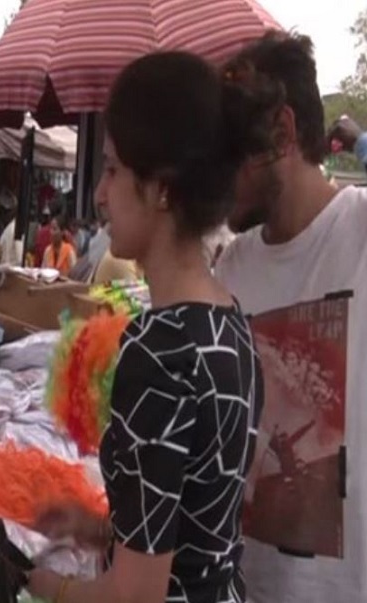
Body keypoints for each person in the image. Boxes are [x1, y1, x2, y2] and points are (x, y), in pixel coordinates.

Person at [26, 51, 264, 603]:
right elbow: (198, 527)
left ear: (162, 188)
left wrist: (46, 586)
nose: (99, 194)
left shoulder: (157, 350)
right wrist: (100, 530)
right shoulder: (231, 322)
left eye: (111, 170)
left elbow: (136, 597)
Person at [215, 31, 367, 603]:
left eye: (227, 149)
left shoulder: (360, 231)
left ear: (281, 133)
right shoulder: (228, 267)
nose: (214, 172)